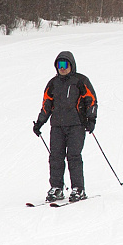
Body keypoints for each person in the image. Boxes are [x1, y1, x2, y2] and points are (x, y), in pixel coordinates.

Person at [32, 51, 98, 203]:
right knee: (55, 157)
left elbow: (91, 100)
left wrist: (91, 119)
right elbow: (46, 105)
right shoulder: (53, 83)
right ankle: (56, 188)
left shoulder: (80, 81)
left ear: (71, 65)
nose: (62, 68)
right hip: (57, 126)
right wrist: (40, 122)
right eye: (59, 65)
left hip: (76, 125)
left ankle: (78, 189)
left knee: (74, 156)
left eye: (65, 64)